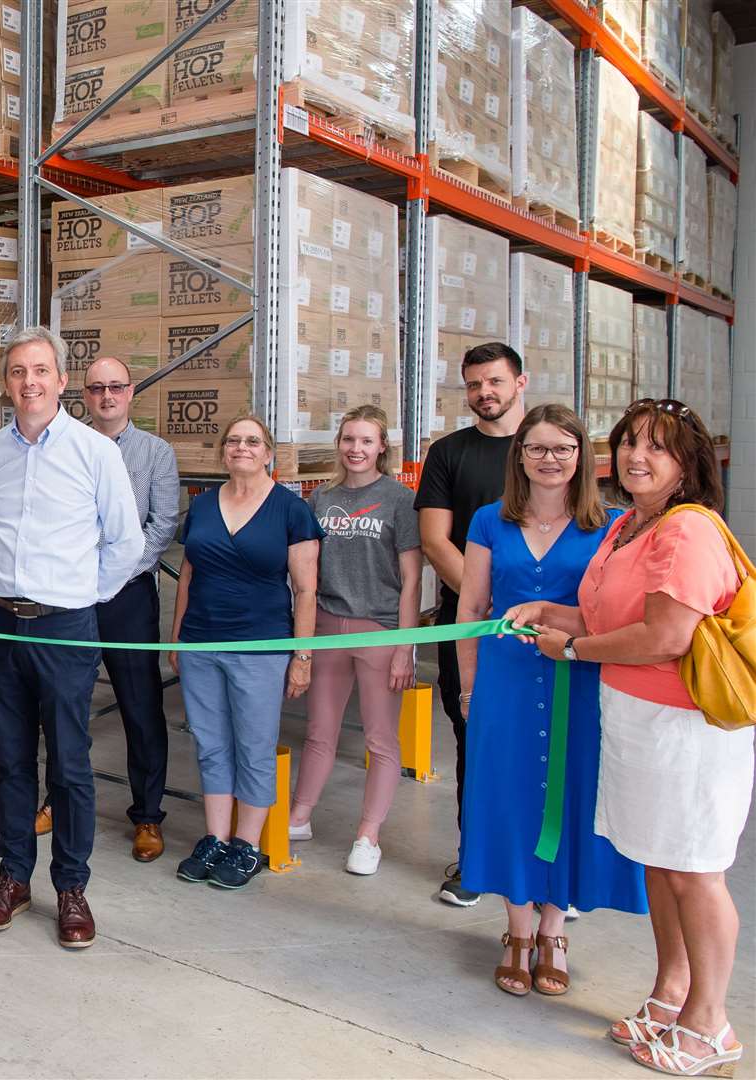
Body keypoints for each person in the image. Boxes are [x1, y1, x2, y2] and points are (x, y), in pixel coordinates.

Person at [504, 400, 746, 1075]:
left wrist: (572, 650)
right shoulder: (630, 526)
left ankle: (710, 1023)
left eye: (656, 448)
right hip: (636, 719)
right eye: (629, 443)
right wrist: (549, 611)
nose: (636, 456)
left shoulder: (688, 531)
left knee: (694, 871)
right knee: (662, 865)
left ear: (686, 464)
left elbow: (666, 635)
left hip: (686, 728)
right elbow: (605, 612)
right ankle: (671, 993)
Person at [455, 403, 645, 998]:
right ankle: (516, 929)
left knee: (569, 795)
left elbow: (614, 612)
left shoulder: (612, 524)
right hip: (506, 681)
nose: (550, 459)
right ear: (520, 456)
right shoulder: (489, 520)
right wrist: (468, 684)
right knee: (510, 795)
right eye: (537, 448)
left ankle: (554, 931)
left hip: (579, 675)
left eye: (563, 448)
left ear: (582, 457)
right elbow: (471, 609)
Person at [0, 326, 144, 950]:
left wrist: (80, 595)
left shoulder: (96, 453)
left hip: (66, 625)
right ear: (6, 382)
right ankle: (14, 877)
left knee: (69, 765)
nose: (30, 383)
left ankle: (71, 885)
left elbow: (125, 542)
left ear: (62, 381)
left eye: (40, 371)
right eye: (18, 372)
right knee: (11, 760)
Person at [169, 414, 321, 891]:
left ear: (268, 452)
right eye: (233, 441)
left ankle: (247, 845)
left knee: (253, 747)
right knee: (210, 744)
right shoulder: (204, 505)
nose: (241, 448)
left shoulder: (290, 510)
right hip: (201, 643)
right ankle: (215, 837)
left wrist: (302, 657)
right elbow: (188, 578)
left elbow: (306, 590)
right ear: (223, 452)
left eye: (252, 441)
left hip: (261, 647)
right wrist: (177, 639)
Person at [414, 341, 528, 907]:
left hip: (544, 630)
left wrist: (528, 612)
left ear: (520, 383)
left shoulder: (547, 448)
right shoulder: (449, 453)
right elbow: (436, 539)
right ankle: (475, 859)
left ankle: (546, 872)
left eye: (495, 382)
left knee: (544, 745)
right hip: (471, 627)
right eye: (475, 384)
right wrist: (485, 608)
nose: (485, 393)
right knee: (473, 742)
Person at [289, 406, 420, 875]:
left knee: (380, 739)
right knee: (319, 732)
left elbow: (411, 580)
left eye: (366, 441)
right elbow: (306, 572)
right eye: (348, 439)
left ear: (382, 447)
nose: (356, 449)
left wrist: (405, 647)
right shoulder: (321, 498)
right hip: (327, 624)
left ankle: (368, 835)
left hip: (380, 630)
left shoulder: (400, 500)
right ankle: (300, 816)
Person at [82, 357, 179, 863]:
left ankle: (147, 816)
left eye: (115, 387)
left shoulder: (155, 452)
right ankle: (61, 799)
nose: (106, 396)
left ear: (131, 392)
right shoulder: (69, 443)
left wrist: (113, 575)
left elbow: (162, 525)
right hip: (72, 594)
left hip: (128, 594)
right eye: (96, 388)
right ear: (84, 394)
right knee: (66, 703)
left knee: (140, 708)